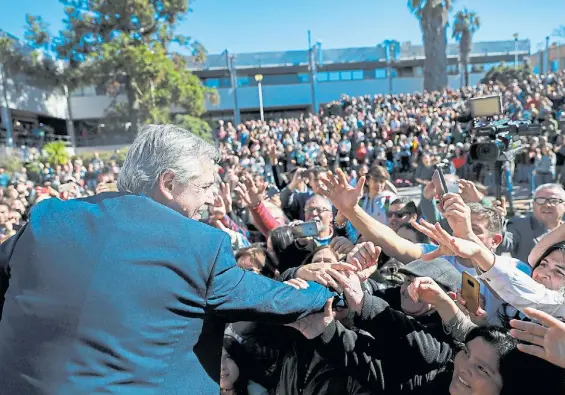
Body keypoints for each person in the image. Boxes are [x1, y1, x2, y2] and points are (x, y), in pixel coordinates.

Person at [0, 125, 334, 394]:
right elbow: (274, 300)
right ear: (169, 183)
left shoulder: (48, 219)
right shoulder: (198, 244)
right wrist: (328, 290)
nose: (209, 199)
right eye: (204, 187)